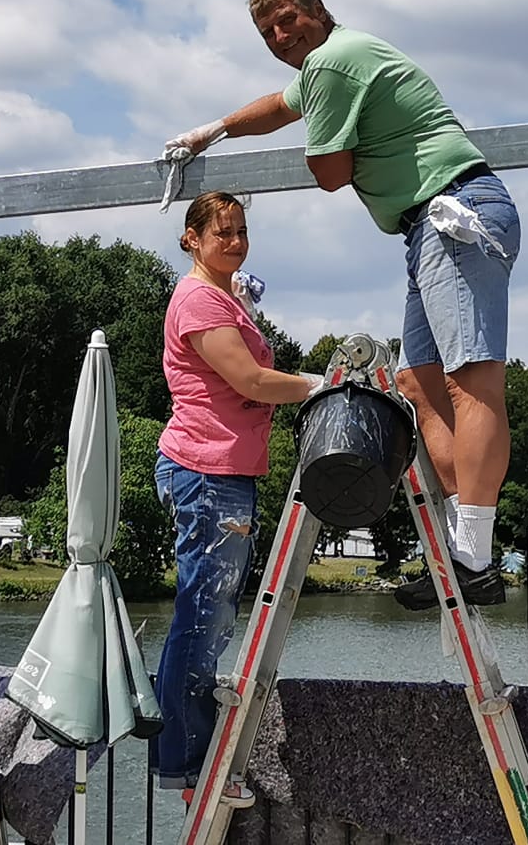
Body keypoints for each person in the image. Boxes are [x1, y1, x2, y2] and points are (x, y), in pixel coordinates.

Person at [166, 0, 521, 607]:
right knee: (416, 382)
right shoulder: (322, 71)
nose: (281, 35)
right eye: (268, 31)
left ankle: (474, 552)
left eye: (288, 20)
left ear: (318, 12)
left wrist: (339, 132)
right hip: (423, 229)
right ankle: (455, 544)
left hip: (455, 213)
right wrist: (212, 131)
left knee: (473, 380)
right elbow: (277, 105)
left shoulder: (332, 62)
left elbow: (329, 173)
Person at [153, 191, 320, 802]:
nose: (236, 241)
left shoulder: (221, 295)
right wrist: (323, 387)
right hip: (206, 470)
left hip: (219, 470)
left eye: (242, 230)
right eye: (222, 232)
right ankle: (191, 767)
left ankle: (190, 761)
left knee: (210, 614)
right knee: (204, 616)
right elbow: (248, 379)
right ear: (192, 237)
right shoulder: (198, 299)